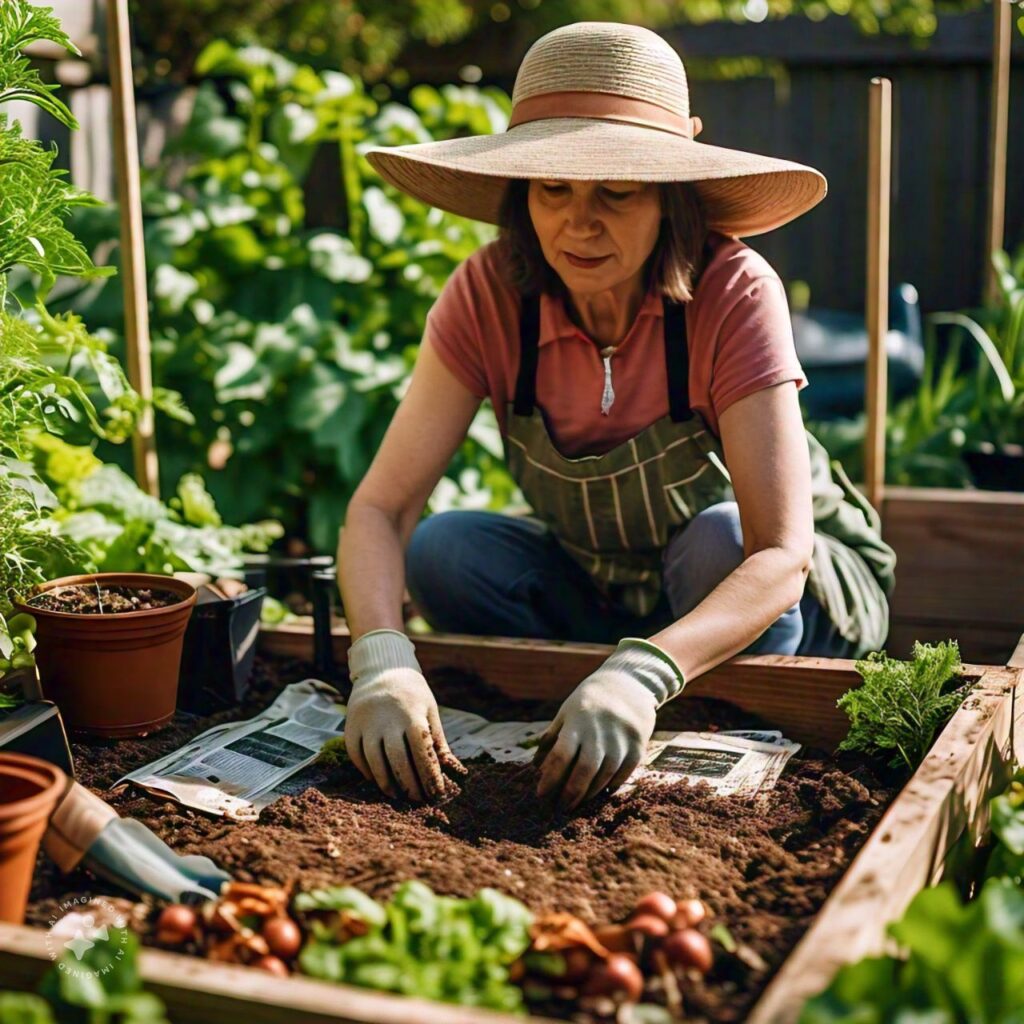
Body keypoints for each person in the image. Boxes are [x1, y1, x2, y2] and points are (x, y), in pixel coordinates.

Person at [337, 22, 895, 811]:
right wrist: (382, 657)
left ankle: (685, 714)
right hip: (614, 591)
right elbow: (379, 507)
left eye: (617, 191)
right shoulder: (489, 296)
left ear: (671, 197)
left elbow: (779, 554)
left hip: (787, 601)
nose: (578, 223)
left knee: (718, 540)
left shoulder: (732, 293)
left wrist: (642, 674)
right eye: (552, 189)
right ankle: (599, 696)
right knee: (444, 550)